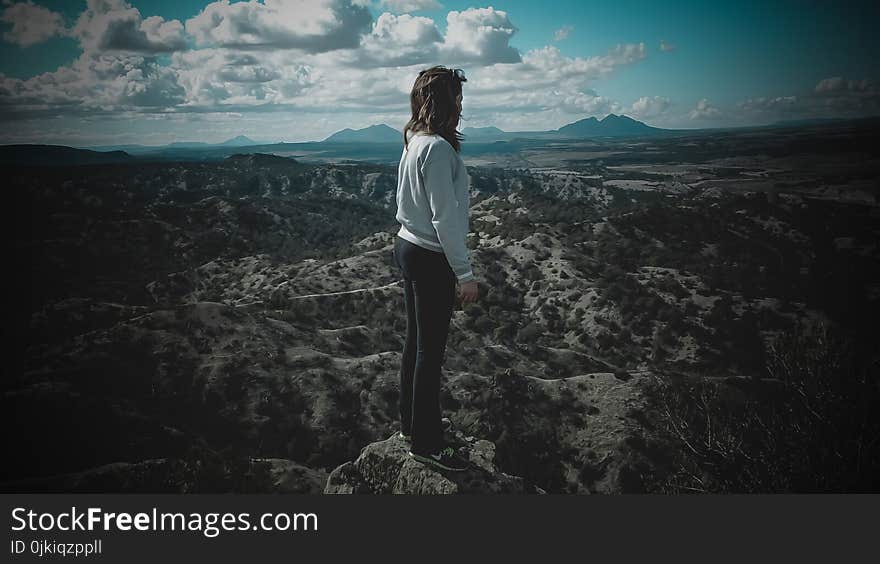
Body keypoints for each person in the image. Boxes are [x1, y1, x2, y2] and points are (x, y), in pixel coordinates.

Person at [391, 66, 477, 472]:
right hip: (430, 255)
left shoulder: (413, 142)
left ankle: (410, 425)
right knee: (430, 352)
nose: (461, 107)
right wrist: (464, 274)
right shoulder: (438, 149)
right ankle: (426, 443)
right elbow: (446, 217)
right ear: (444, 103)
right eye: (456, 99)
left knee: (415, 344)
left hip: (407, 245)